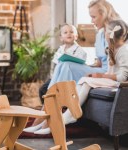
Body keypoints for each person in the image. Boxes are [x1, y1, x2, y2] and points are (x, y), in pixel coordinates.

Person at [24, 0, 120, 134]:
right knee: (64, 63)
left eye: (93, 17)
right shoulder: (99, 33)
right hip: (99, 68)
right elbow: (99, 62)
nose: (91, 21)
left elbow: (115, 64)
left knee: (66, 65)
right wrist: (84, 66)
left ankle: (46, 119)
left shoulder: (114, 32)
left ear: (104, 14)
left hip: (107, 73)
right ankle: (45, 117)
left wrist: (95, 72)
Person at [39, 23, 87, 104]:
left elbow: (80, 66)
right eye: (65, 32)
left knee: (56, 91)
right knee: (43, 89)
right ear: (61, 38)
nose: (69, 33)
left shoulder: (80, 51)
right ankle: (49, 108)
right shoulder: (60, 50)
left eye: (71, 32)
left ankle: (56, 108)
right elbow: (55, 64)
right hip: (57, 77)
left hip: (70, 78)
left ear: (76, 36)